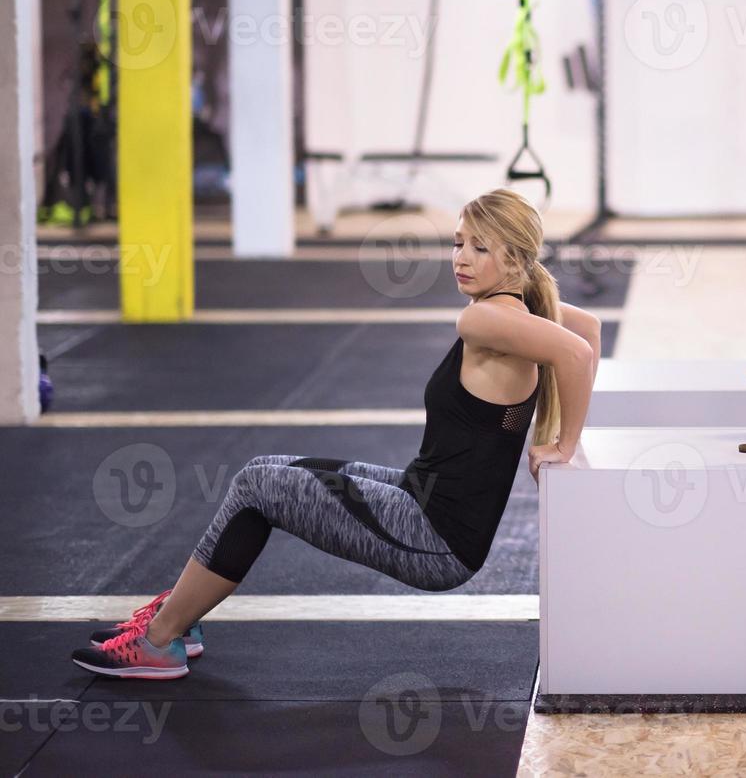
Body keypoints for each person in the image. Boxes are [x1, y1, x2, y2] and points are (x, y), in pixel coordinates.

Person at [73, 189, 598, 679]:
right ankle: (176, 619)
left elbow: (577, 352)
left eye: (480, 248)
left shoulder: (483, 320)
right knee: (260, 472)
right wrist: (558, 435)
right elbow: (588, 329)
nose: (461, 258)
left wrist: (563, 443)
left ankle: (161, 639)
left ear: (514, 262)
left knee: (259, 490)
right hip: (421, 498)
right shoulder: (526, 309)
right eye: (459, 242)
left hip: (433, 537)